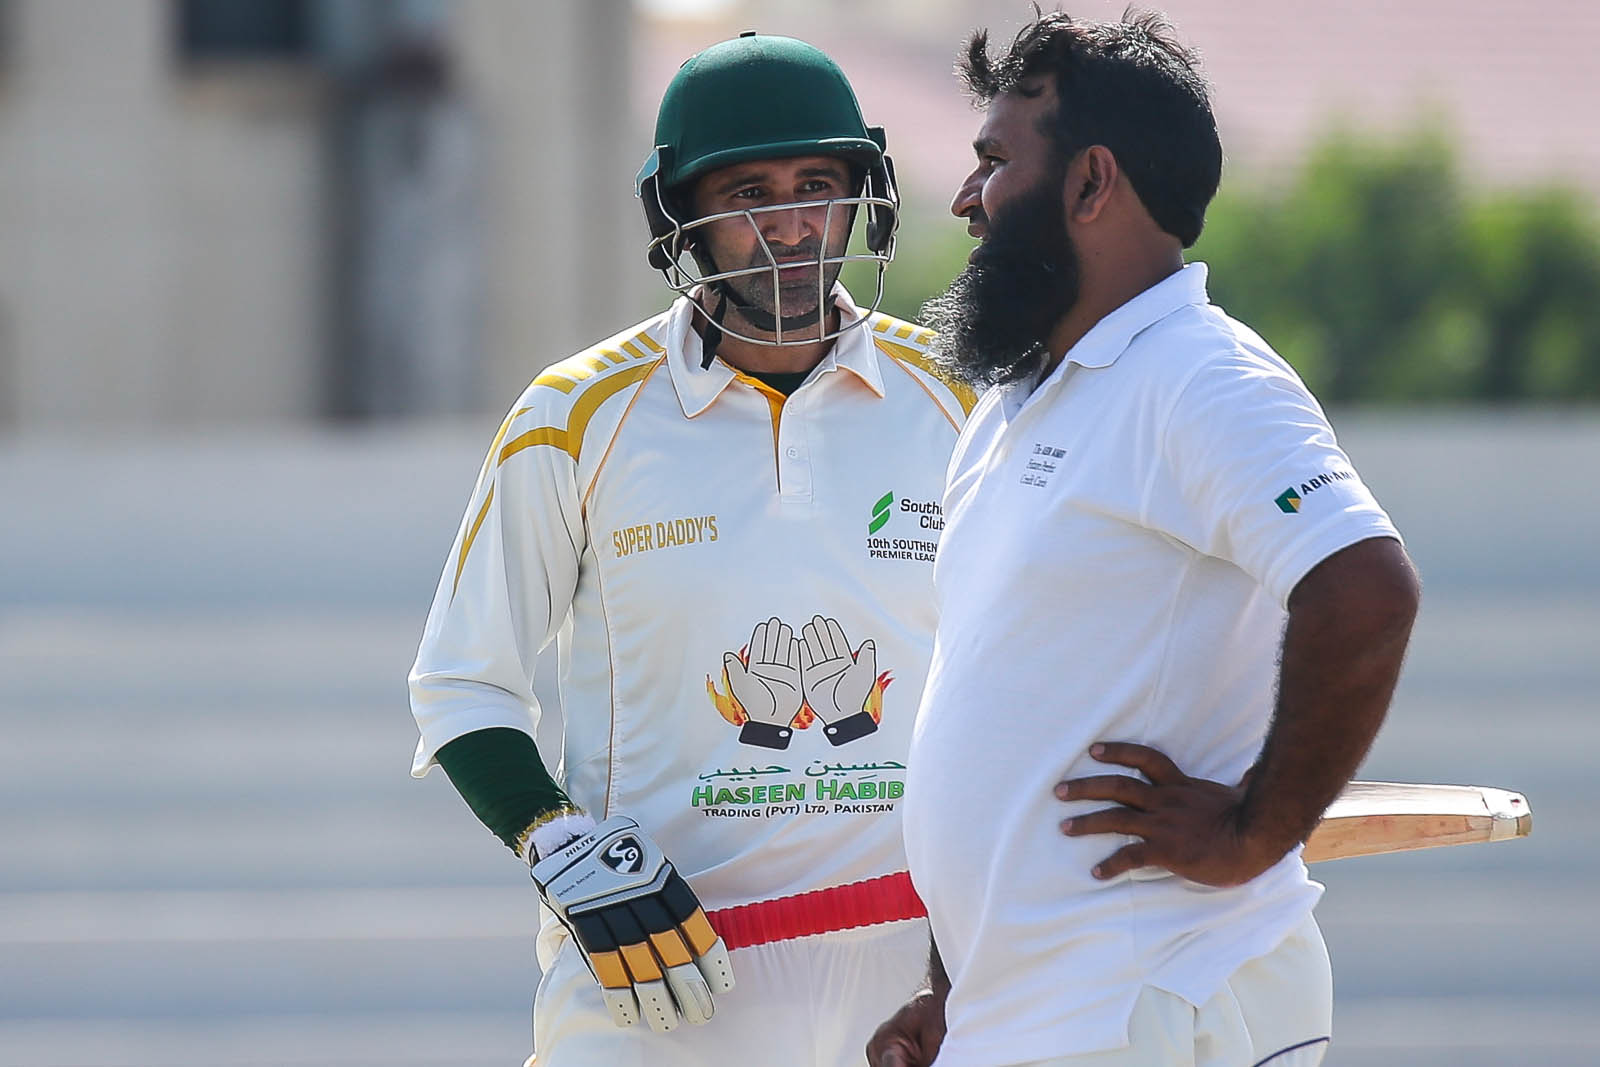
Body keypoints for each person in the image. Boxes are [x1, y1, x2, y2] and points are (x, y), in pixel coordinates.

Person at [407, 32, 974, 1067]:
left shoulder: (965, 399)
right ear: (679, 214)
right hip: (655, 973)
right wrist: (559, 842)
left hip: (911, 977)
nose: (791, 224)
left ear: (863, 194)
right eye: (748, 192)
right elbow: (461, 683)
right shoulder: (575, 415)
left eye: (817, 185)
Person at [870, 11, 1420, 1067]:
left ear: (1091, 182)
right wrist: (959, 993)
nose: (966, 197)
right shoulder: (1015, 401)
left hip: (1153, 998)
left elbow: (1365, 588)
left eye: (994, 161)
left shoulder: (1200, 375)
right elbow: (1009, 712)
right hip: (1034, 1013)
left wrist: (1250, 833)